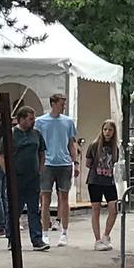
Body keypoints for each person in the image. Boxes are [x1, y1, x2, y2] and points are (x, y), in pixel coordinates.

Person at [3, 107, 49, 251]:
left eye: (33, 119)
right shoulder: (11, 134)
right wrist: (8, 173)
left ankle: (37, 239)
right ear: (21, 119)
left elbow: (42, 153)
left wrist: (41, 170)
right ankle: (12, 238)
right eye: (30, 119)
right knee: (14, 210)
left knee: (34, 209)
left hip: (33, 178)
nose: (33, 122)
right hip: (16, 178)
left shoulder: (36, 134)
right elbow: (1, 155)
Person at [36, 93, 79, 239]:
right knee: (45, 198)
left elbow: (72, 143)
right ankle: (45, 232)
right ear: (53, 104)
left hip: (64, 163)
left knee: (64, 197)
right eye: (62, 103)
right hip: (47, 164)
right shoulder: (40, 122)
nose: (64, 106)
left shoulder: (68, 122)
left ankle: (64, 231)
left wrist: (76, 162)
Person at [85, 120, 121, 251]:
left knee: (113, 208)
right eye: (105, 129)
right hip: (95, 180)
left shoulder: (114, 148)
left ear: (114, 132)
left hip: (109, 181)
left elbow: (115, 162)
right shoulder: (94, 145)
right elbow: (88, 163)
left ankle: (106, 235)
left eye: (110, 130)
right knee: (96, 209)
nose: (107, 132)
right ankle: (97, 239)